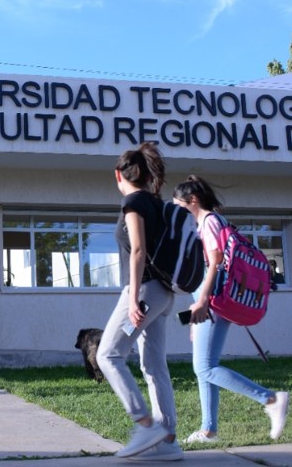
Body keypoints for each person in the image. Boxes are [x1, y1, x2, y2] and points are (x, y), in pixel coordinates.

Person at [173, 175, 290, 444]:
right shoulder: (211, 221)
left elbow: (214, 263)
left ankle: (270, 398)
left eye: (178, 205)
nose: (176, 210)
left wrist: (202, 301)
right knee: (205, 366)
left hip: (212, 299)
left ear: (192, 201)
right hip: (210, 298)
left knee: (203, 367)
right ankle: (208, 430)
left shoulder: (210, 221)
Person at [95, 142, 183, 461]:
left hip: (145, 289)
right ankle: (168, 442)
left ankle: (145, 424)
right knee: (154, 366)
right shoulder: (156, 203)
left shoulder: (133, 202)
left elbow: (138, 250)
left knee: (108, 355)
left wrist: (132, 298)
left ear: (119, 174)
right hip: (164, 293)